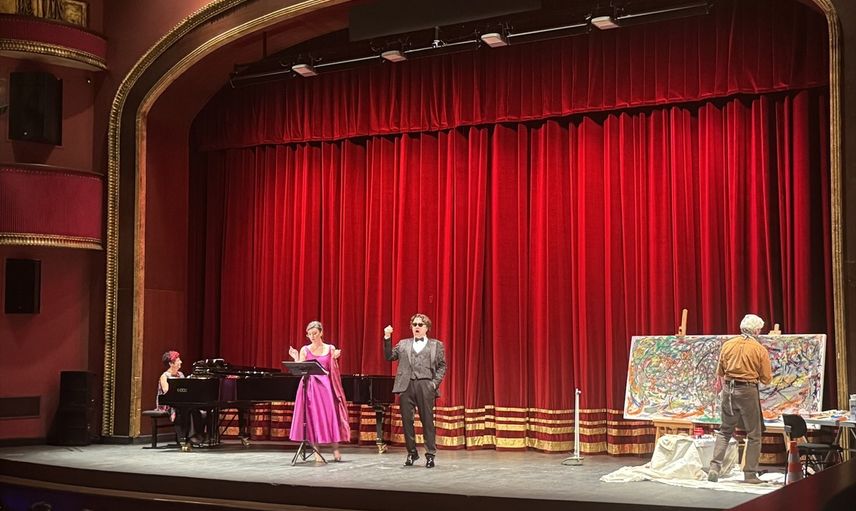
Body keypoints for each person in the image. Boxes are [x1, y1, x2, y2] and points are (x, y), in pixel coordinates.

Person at [707, 314, 773, 484]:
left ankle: (714, 468)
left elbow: (720, 371)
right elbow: (766, 378)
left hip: (729, 390)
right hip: (747, 391)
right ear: (756, 331)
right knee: (754, 434)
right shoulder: (759, 349)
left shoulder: (728, 345)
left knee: (725, 430)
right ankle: (750, 474)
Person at [383, 313, 447, 468]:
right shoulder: (403, 344)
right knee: (407, 422)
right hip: (406, 385)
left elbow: (442, 366)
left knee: (427, 421)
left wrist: (434, 384)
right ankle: (412, 453)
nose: (417, 327)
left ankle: (430, 454)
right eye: (414, 324)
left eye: (420, 324)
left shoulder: (436, 345)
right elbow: (389, 357)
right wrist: (387, 337)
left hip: (425, 385)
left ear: (427, 328)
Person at [288, 320, 350, 461]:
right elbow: (300, 368)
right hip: (309, 388)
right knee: (312, 418)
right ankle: (316, 452)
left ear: (321, 333)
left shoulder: (330, 348)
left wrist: (334, 359)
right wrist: (296, 358)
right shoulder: (305, 349)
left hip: (326, 388)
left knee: (330, 417)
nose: (312, 336)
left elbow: (332, 370)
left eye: (315, 333)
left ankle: (335, 450)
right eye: (309, 334)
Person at [156, 350, 205, 447]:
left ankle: (194, 436)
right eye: (178, 360)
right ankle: (184, 438)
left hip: (180, 401)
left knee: (194, 409)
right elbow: (166, 392)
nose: (181, 362)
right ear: (171, 363)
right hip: (167, 403)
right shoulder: (164, 376)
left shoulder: (181, 374)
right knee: (183, 410)